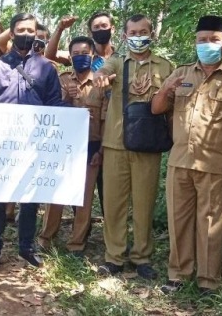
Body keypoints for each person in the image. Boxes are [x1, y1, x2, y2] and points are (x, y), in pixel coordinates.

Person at [151, 15, 222, 294]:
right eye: (202, 40)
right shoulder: (181, 74)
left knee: (210, 224)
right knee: (179, 221)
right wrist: (165, 89)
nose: (207, 44)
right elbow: (156, 108)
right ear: (195, 42)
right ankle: (178, 275)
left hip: (215, 164)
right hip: (179, 162)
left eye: (213, 39)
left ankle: (208, 280)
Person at [0, 12, 68, 270]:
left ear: (36, 33)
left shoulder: (46, 69)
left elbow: (54, 105)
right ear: (12, 33)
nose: (26, 34)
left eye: (31, 30)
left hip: (34, 144)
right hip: (3, 144)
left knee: (30, 199)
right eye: (21, 30)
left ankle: (26, 248)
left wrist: (73, 120)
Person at [93, 14, 173, 280]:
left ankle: (142, 257)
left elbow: (173, 104)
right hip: (116, 143)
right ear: (124, 36)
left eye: (143, 31)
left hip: (148, 145)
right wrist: (101, 77)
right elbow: (102, 71)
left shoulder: (165, 66)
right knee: (114, 204)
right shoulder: (117, 61)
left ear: (152, 34)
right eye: (133, 32)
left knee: (144, 204)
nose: (138, 36)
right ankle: (114, 257)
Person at [37, 36, 107, 257]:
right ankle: (45, 239)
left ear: (93, 56)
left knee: (84, 197)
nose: (80, 58)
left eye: (84, 53)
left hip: (91, 145)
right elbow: (51, 111)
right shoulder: (62, 80)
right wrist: (66, 98)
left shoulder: (101, 83)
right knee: (55, 194)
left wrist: (101, 150)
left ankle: (76, 244)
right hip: (62, 146)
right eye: (75, 54)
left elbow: (106, 119)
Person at [45, 11, 118, 71]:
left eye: (104, 26)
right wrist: (59, 29)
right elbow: (50, 56)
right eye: (96, 27)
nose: (100, 29)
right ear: (90, 32)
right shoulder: (82, 54)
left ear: (112, 29)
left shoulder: (121, 59)